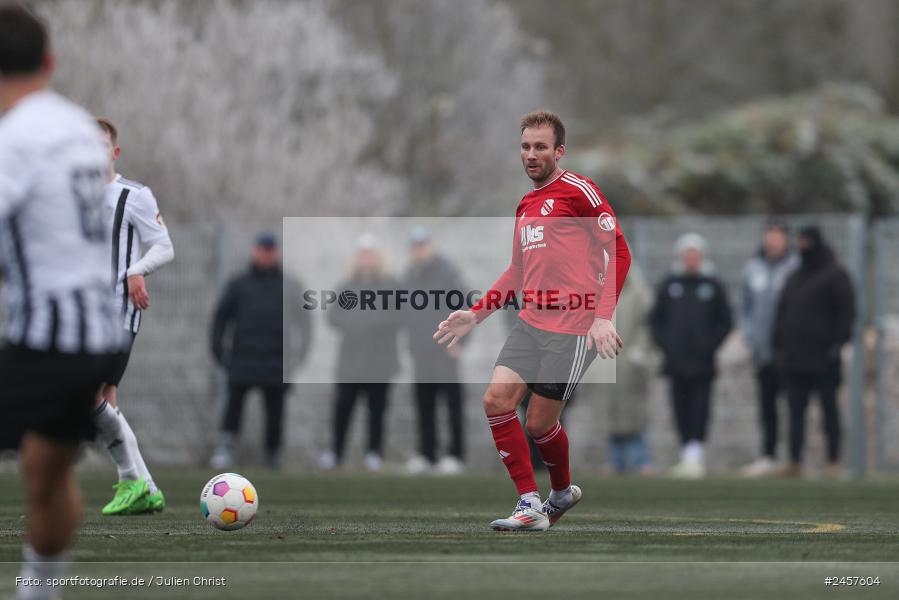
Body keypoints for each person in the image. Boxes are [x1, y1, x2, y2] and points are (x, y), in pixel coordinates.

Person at [433, 110, 631, 531]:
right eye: (525, 147)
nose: (531, 154)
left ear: (559, 150)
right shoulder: (526, 204)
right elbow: (517, 272)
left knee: (539, 423)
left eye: (540, 146)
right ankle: (530, 503)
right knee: (495, 401)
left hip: (575, 326)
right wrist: (476, 313)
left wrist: (602, 318)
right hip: (531, 321)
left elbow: (619, 251)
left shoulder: (579, 192)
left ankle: (559, 493)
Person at [0, 6, 123, 597]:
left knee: (45, 472)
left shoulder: (14, 139)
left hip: (51, 340)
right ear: (48, 62)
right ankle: (39, 592)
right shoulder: (77, 126)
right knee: (45, 471)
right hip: (97, 335)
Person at [92, 117, 174, 515]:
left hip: (117, 313)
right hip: (81, 315)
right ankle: (148, 488)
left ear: (115, 151)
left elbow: (163, 247)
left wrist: (134, 271)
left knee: (85, 395)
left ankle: (132, 478)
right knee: (105, 399)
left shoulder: (133, 195)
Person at [210, 232, 311, 470]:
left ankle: (273, 454)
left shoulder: (290, 286)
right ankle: (225, 449)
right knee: (233, 406)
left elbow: (305, 323)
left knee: (276, 411)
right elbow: (220, 319)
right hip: (243, 358)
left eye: (270, 250)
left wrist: (299, 357)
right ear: (254, 251)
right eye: (262, 250)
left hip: (276, 361)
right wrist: (218, 350)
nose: (266, 255)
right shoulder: (238, 284)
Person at [773, 225, 855, 478]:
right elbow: (782, 314)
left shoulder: (836, 275)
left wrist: (836, 345)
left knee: (829, 409)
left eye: (806, 241)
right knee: (795, 411)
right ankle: (795, 461)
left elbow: (846, 314)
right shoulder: (794, 276)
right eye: (799, 241)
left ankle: (833, 461)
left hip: (823, 359)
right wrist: (779, 347)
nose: (802, 246)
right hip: (794, 359)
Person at [649, 233, 732, 479]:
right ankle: (685, 451)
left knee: (700, 406)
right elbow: (656, 320)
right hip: (675, 361)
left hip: (703, 361)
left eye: (695, 254)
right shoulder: (670, 284)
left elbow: (725, 321)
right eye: (688, 254)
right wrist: (667, 345)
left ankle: (695, 453)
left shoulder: (713, 284)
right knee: (679, 406)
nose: (691, 259)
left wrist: (709, 345)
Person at [319, 234, 403, 472]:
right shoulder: (347, 287)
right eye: (363, 254)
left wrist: (370, 323)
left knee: (377, 409)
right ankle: (335, 452)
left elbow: (399, 315)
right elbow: (333, 317)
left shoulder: (391, 286)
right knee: (343, 407)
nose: (367, 259)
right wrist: (355, 324)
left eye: (371, 254)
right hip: (350, 362)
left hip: (381, 361)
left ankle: (373, 453)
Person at [403, 226, 467, 475]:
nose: (420, 250)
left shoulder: (448, 273)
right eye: (416, 246)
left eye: (423, 245)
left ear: (430, 246)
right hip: (421, 351)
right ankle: (426, 454)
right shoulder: (410, 275)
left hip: (445, 350)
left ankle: (455, 455)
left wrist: (461, 342)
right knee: (424, 403)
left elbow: (467, 310)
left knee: (452, 403)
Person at [738, 220, 798, 477]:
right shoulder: (753, 268)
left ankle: (795, 458)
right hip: (763, 352)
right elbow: (744, 306)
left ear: (786, 239)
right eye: (769, 237)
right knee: (767, 406)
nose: (772, 242)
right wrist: (750, 336)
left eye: (777, 237)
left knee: (795, 405)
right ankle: (769, 455)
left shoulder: (795, 268)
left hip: (791, 351)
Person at [599, 264, 655, 475]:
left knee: (635, 412)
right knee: (610, 411)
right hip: (607, 359)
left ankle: (641, 460)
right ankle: (615, 460)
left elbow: (646, 325)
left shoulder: (639, 293)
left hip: (631, 361)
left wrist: (641, 349)